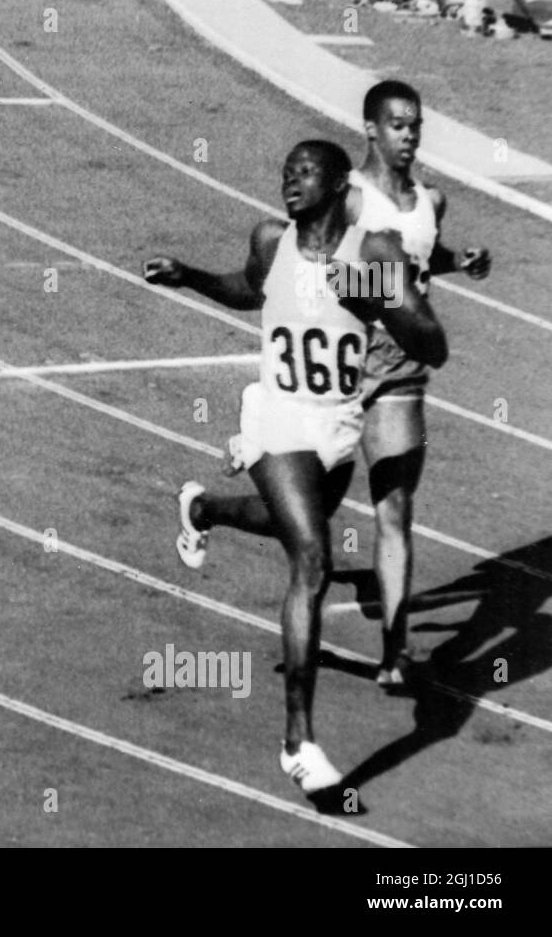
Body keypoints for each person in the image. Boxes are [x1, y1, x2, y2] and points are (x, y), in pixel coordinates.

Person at [143, 140, 448, 795]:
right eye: (286, 172)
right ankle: (298, 743)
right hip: (277, 418)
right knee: (311, 559)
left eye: (306, 172)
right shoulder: (270, 237)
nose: (291, 181)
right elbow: (248, 287)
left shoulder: (373, 253)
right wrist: (191, 275)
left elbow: (434, 343)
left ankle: (205, 509)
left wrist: (380, 300)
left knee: (285, 526)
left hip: (337, 428)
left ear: (340, 185)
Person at [346, 80, 489, 687]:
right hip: (339, 364)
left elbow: (420, 258)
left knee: (394, 510)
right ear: (372, 129)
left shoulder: (432, 199)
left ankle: (394, 653)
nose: (409, 136)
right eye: (398, 125)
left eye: (417, 126)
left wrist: (463, 262)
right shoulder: (345, 198)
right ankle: (209, 509)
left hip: (401, 371)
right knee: (300, 516)